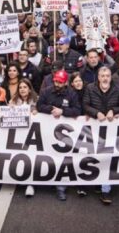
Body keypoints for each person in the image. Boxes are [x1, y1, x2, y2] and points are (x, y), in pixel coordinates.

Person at [82, 66, 119, 205]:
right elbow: (85, 105)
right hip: (94, 130)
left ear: (110, 77)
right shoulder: (90, 88)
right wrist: (96, 113)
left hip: (112, 132)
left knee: (108, 158)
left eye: (107, 75)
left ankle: (105, 190)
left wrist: (113, 110)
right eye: (102, 75)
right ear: (98, 77)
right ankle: (96, 183)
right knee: (94, 156)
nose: (105, 78)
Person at [37, 70, 80, 201]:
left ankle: (61, 188)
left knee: (63, 159)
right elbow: (39, 106)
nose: (57, 83)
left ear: (65, 82)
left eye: (60, 82)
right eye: (56, 81)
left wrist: (63, 111)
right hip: (47, 130)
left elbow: (77, 110)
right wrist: (52, 110)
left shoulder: (71, 94)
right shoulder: (46, 91)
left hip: (65, 134)